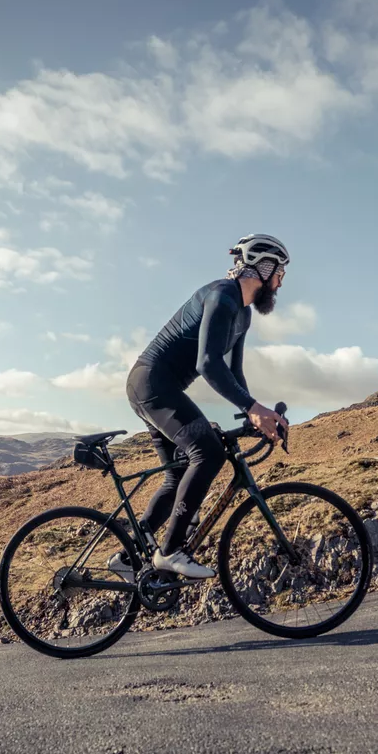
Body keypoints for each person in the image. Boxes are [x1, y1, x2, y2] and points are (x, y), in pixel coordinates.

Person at [124, 233, 291, 579]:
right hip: (153, 384)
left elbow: (234, 372)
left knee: (177, 475)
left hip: (157, 387)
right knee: (209, 453)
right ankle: (169, 553)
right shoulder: (222, 296)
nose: (280, 283)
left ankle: (126, 556)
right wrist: (252, 407)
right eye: (280, 273)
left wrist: (255, 415)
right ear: (263, 267)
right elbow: (208, 364)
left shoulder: (242, 314)